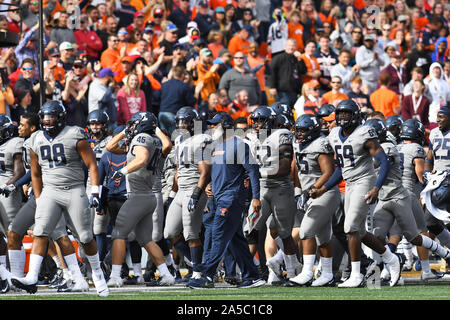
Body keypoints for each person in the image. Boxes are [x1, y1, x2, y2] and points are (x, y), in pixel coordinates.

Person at [11, 101, 109, 297]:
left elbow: (92, 165)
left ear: (61, 117)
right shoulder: (36, 139)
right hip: (50, 191)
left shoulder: (74, 134)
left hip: (74, 189)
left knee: (85, 236)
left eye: (51, 117)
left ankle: (97, 273)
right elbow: (36, 173)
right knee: (40, 231)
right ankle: (31, 277)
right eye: (45, 118)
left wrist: (96, 191)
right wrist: (39, 198)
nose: (47, 121)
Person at [311, 99, 402, 288]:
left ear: (356, 116)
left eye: (347, 113)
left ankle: (356, 274)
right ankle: (391, 258)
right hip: (350, 182)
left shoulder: (364, 133)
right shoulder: (334, 134)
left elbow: (383, 161)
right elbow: (340, 169)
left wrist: (376, 187)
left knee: (350, 227)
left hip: (365, 181)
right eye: (340, 113)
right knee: (359, 231)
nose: (343, 117)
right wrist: (324, 188)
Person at [364, 119, 450, 284]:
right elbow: (420, 176)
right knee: (419, 233)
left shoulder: (394, 147)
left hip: (387, 196)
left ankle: (386, 271)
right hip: (407, 195)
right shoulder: (413, 148)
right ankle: (428, 267)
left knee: (390, 235)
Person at [188, 112, 266, 289]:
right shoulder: (215, 146)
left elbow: (253, 171)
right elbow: (213, 173)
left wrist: (255, 197)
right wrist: (208, 187)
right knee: (235, 239)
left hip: (232, 197)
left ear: (225, 126)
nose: (212, 128)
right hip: (218, 197)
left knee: (219, 235)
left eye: (215, 124)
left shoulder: (239, 145)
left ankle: (207, 275)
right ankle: (252, 276)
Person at [105, 111, 175, 287]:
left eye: (134, 124)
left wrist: (122, 171)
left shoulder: (141, 139)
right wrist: (124, 131)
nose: (132, 127)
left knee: (118, 233)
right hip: (149, 196)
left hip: (139, 195)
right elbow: (110, 147)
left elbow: (142, 159)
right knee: (146, 239)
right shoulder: (154, 142)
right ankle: (167, 275)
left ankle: (114, 276)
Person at [246, 106, 299, 281]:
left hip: (280, 188)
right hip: (261, 189)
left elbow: (284, 167)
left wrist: (258, 173)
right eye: (256, 121)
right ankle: (253, 270)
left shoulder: (282, 134)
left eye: (261, 121)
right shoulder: (254, 140)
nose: (258, 125)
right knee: (249, 228)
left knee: (284, 233)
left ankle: (292, 271)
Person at [287, 114, 340, 287]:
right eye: (298, 130)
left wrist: (310, 190)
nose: (300, 134)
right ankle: (327, 274)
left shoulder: (321, 144)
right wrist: (298, 191)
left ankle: (307, 273)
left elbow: (328, 172)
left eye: (303, 130)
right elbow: (296, 169)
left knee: (306, 231)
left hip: (324, 193)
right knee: (323, 237)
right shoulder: (298, 144)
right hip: (309, 194)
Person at [269, 39, 307, 107]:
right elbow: (272, 72)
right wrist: (272, 87)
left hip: (295, 91)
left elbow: (303, 71)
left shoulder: (297, 58)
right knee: (284, 110)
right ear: (285, 46)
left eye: (293, 46)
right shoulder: (278, 58)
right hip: (282, 91)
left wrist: (300, 59)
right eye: (289, 45)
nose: (291, 48)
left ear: (296, 47)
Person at [159, 66, 196, 135]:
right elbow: (191, 102)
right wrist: (196, 94)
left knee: (164, 137)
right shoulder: (184, 86)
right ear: (182, 75)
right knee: (175, 138)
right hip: (173, 115)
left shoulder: (164, 84)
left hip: (161, 113)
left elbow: (157, 97)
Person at [424, 62, 450, 129]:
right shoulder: (426, 82)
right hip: (431, 111)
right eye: (434, 69)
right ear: (431, 70)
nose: (436, 70)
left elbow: (448, 98)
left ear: (441, 70)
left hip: (443, 111)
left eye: (437, 68)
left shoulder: (445, 83)